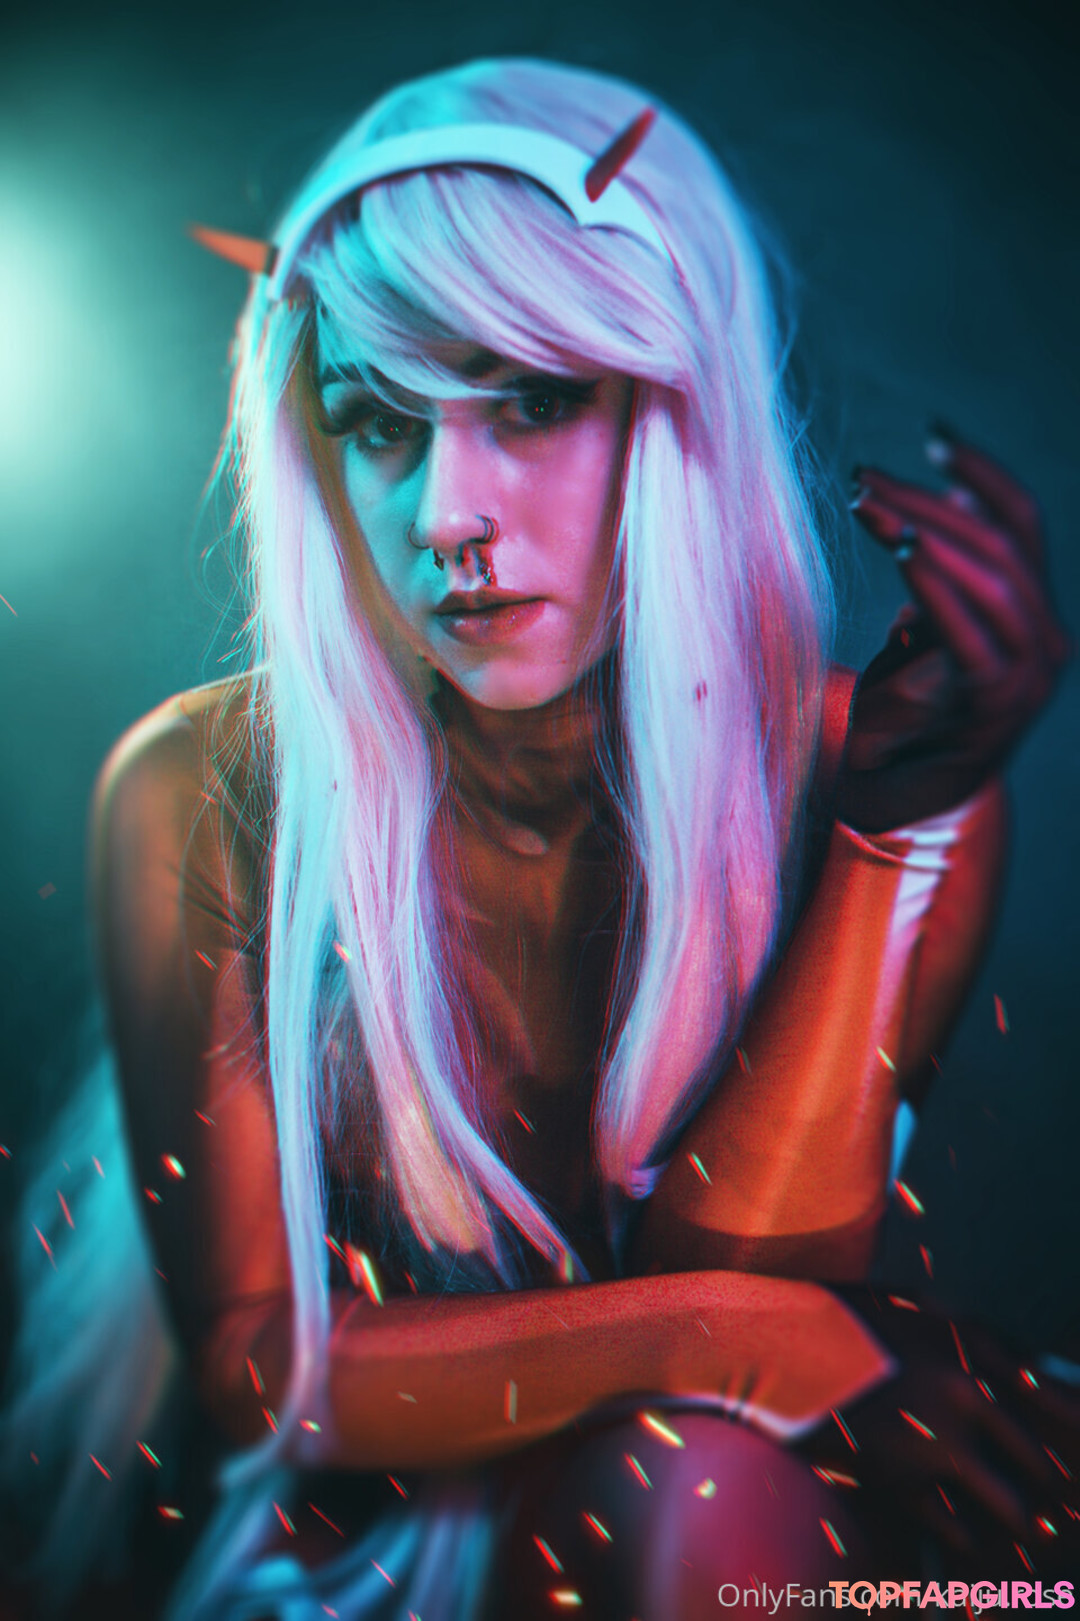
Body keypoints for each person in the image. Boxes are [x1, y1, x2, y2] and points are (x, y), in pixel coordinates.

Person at [2, 56, 1072, 1621]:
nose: (448, 513)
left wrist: (886, 842)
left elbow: (761, 1318)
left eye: (535, 400)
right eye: (379, 423)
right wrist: (741, 1341)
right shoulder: (200, 784)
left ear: (676, 405)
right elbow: (263, 1366)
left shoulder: (880, 765)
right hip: (360, 1554)